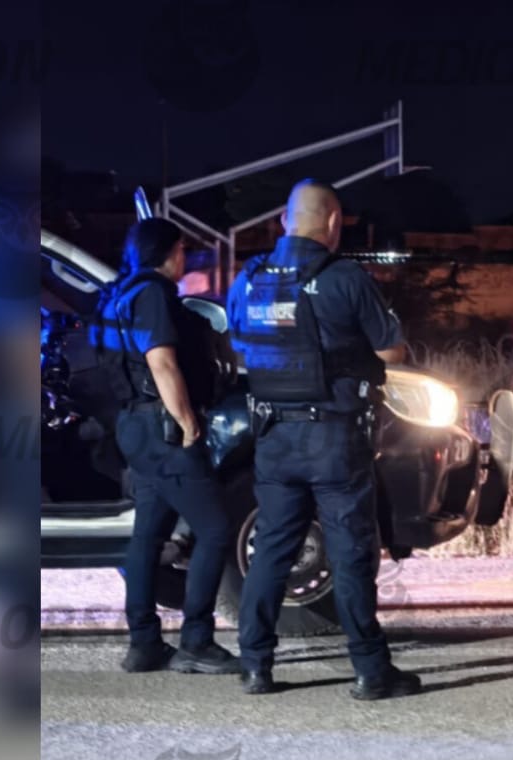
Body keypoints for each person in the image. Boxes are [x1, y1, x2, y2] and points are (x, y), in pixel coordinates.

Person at [225, 179, 421, 699]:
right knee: (351, 551)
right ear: (334, 221)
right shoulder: (344, 277)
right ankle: (371, 671)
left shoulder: (248, 279)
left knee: (271, 549)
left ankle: (255, 666)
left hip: (273, 436)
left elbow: (240, 344)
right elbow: (392, 351)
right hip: (334, 437)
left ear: (284, 220)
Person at [101, 217, 238, 675]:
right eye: (182, 249)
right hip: (163, 428)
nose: (185, 258)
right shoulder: (154, 294)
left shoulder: (119, 293)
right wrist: (186, 420)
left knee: (149, 533)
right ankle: (196, 641)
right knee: (215, 529)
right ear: (169, 251)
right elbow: (161, 362)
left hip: (134, 427)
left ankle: (144, 643)